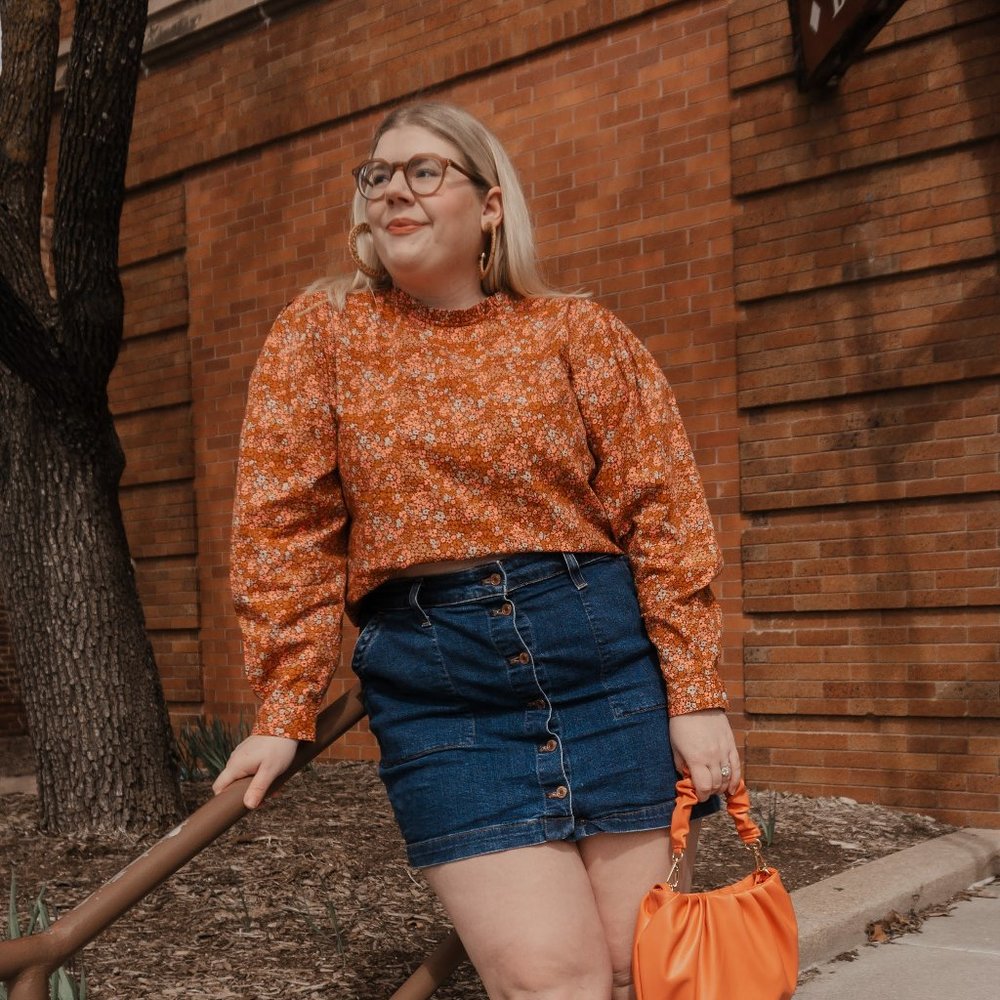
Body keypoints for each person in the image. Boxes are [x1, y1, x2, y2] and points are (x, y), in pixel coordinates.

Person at [214, 101, 741, 1000]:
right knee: (551, 979)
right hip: (441, 687)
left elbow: (663, 512)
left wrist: (693, 694)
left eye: (424, 171)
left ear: (490, 204)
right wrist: (281, 704)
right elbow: (284, 526)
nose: (394, 192)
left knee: (637, 969)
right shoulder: (322, 333)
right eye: (377, 175)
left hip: (603, 667)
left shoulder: (577, 332)